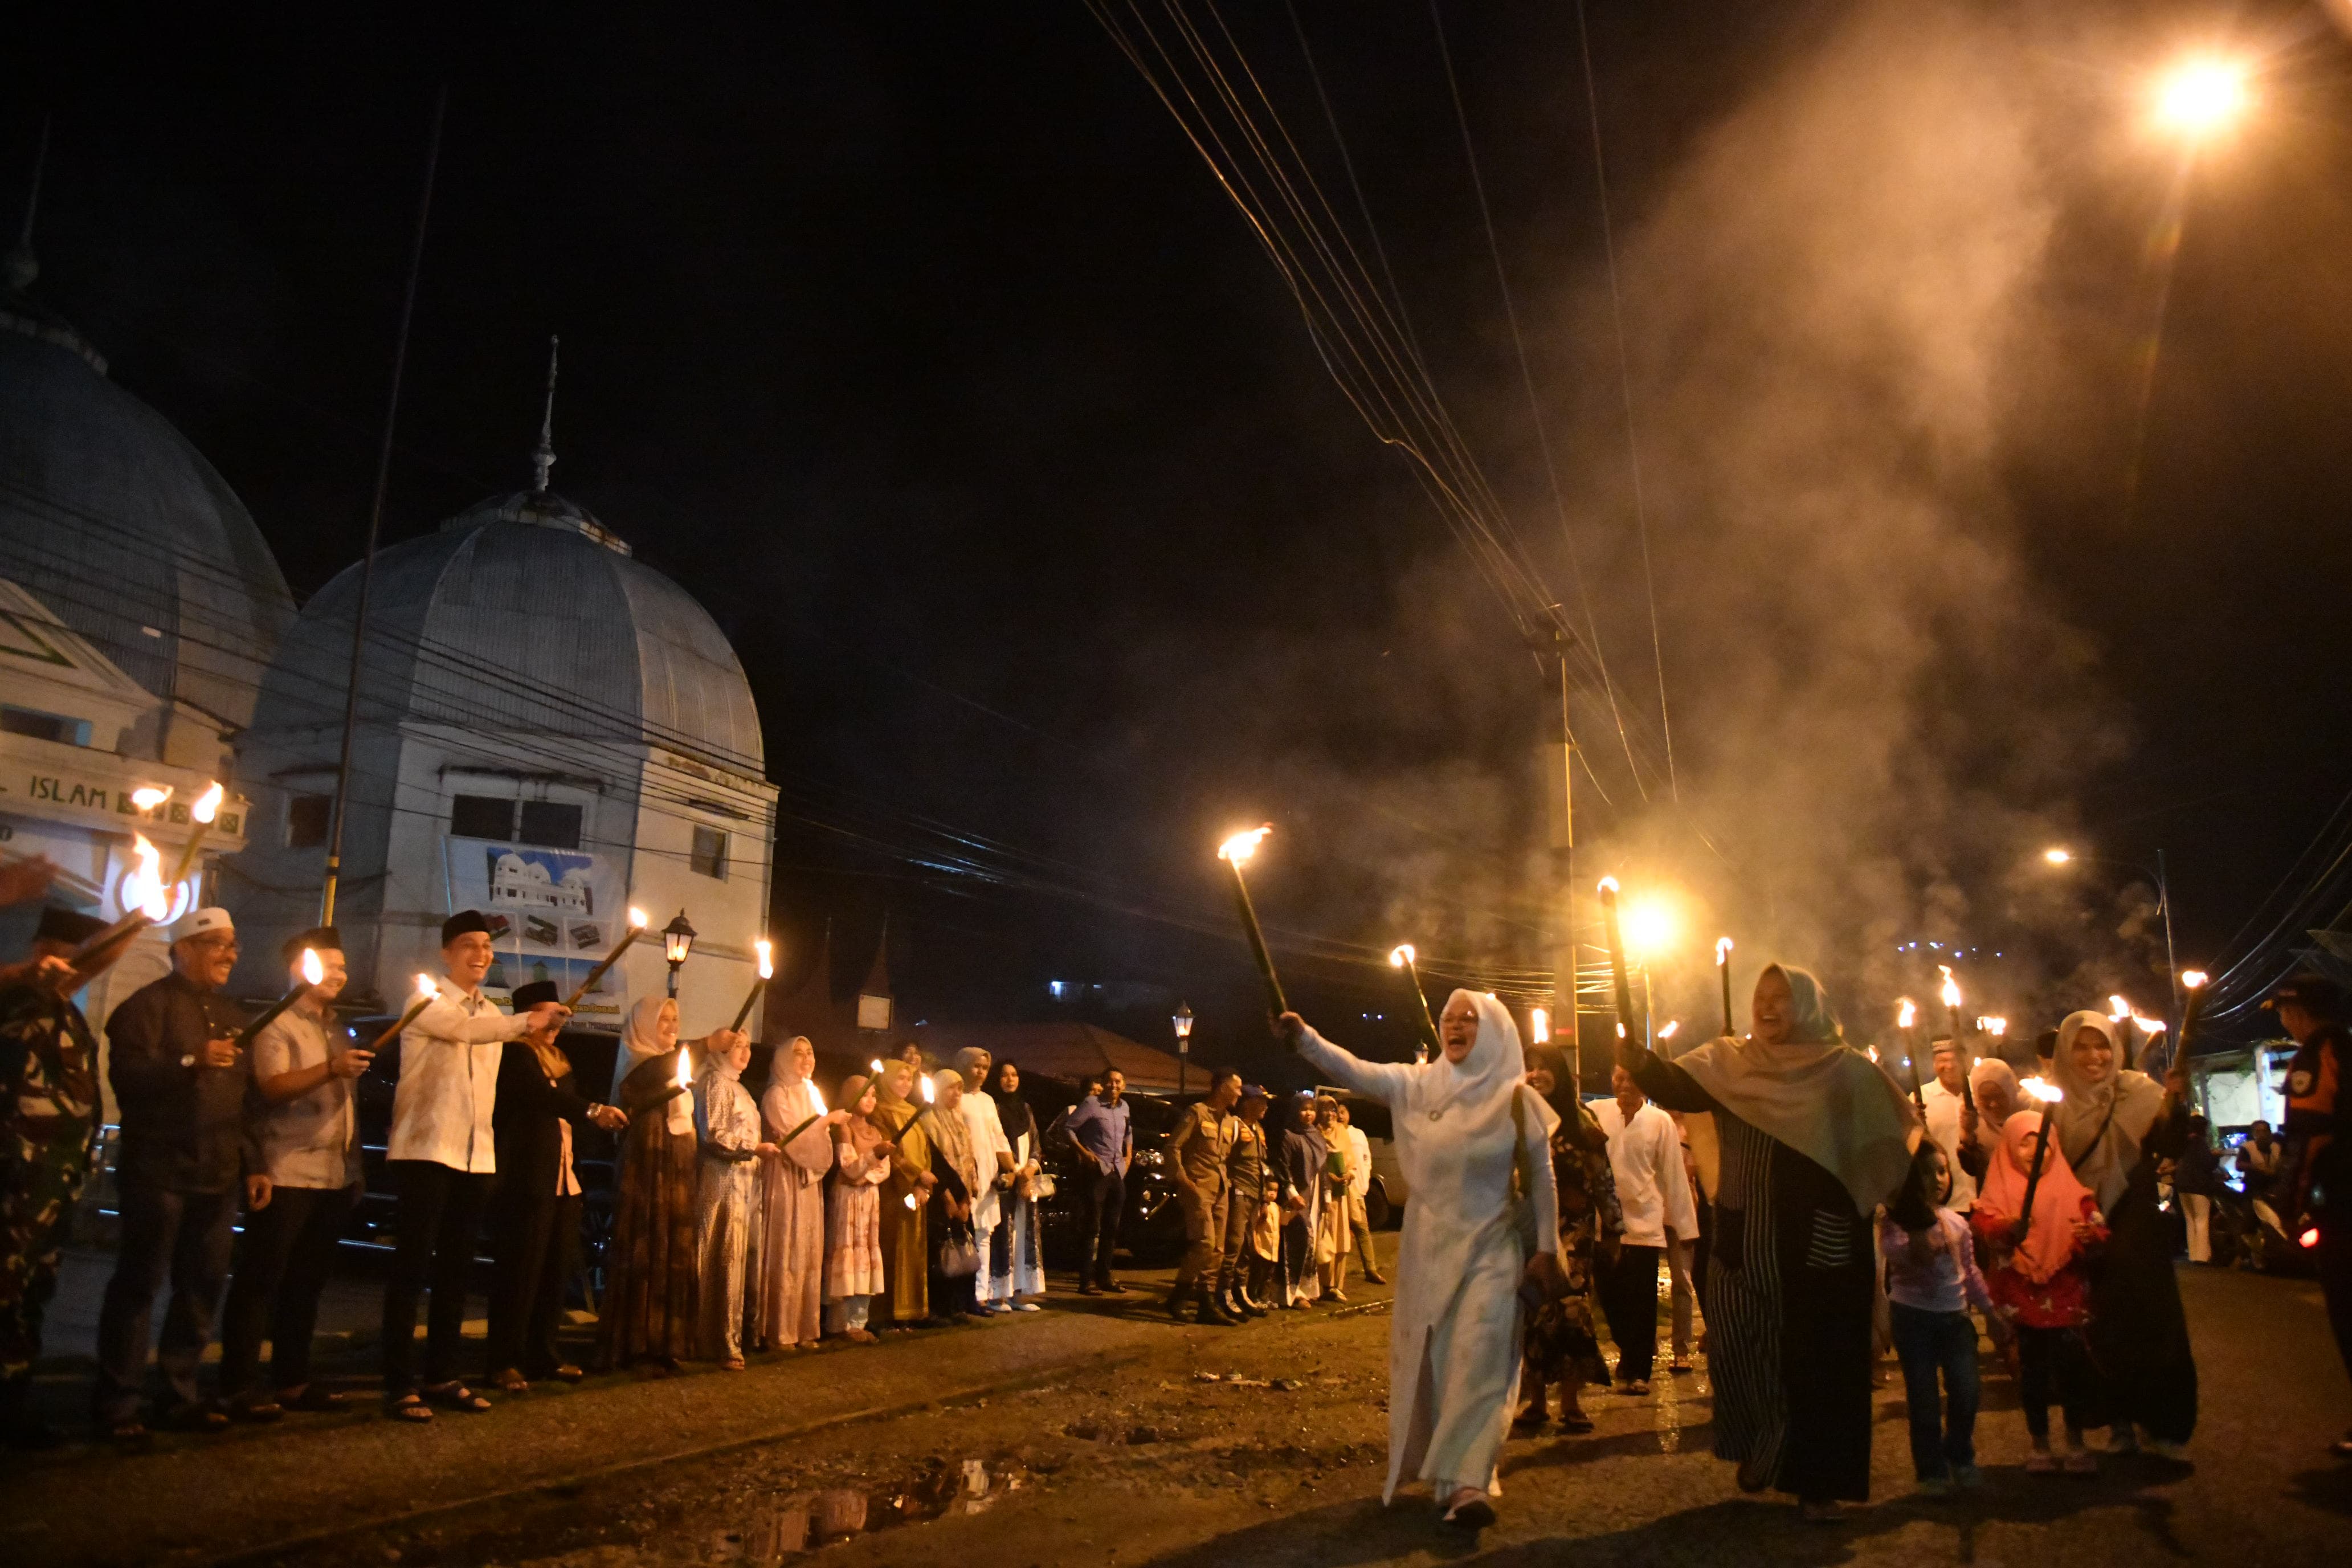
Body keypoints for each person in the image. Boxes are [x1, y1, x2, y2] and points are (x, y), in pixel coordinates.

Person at [1620, 963, 1929, 1522]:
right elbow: (1673, 1083)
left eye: (1781, 998)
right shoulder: (1729, 1062)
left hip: (1823, 1245)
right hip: (1745, 1239)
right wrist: (1639, 1061)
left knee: (1822, 1368)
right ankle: (1765, 1446)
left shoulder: (1846, 1071)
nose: (1767, 1007)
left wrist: (1920, 1222)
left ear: (1807, 1006)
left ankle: (1818, 1485)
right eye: (1761, 996)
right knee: (1741, 1352)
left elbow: (1886, 1150)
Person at [1278, 991, 1562, 1529]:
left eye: (1468, 1019)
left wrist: (1547, 1248)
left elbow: (1542, 1179)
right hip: (1430, 1252)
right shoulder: (1416, 1085)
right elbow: (1356, 1070)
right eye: (1448, 1019)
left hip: (1494, 1249)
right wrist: (1305, 1039)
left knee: (1481, 1359)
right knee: (1443, 1364)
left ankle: (1468, 1483)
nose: (1455, 1026)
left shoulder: (1517, 1100)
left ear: (1494, 1030)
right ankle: (1451, 1477)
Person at [380, 910, 569, 1421]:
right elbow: (464, 1031)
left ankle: (442, 1374)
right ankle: (399, 1383)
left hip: (475, 1155)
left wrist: (540, 1025)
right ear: (447, 953)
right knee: (411, 1269)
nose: (481, 954)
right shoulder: (427, 1002)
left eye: (486, 946)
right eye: (469, 945)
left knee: (456, 1271)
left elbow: (495, 1043)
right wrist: (526, 1021)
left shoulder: (491, 1012)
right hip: (426, 1150)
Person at [95, 906, 266, 1442]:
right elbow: (129, 1080)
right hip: (159, 1169)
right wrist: (192, 1060)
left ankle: (179, 1393)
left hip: (218, 1171)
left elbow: (243, 1099)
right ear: (184, 949)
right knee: (140, 1284)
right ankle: (119, 1404)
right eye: (219, 944)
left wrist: (254, 1162)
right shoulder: (145, 1007)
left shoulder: (233, 1015)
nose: (230, 954)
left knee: (202, 1285)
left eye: (234, 945)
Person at [220, 929, 373, 1418]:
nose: (339, 975)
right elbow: (271, 1087)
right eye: (329, 965)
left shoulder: (335, 1027)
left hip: (333, 1174)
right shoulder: (275, 1024)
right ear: (299, 968)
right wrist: (331, 1068)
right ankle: (238, 1385)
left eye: (343, 966)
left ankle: (292, 1379)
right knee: (260, 1281)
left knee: (307, 1283)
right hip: (285, 1170)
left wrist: (355, 1167)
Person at [0, 905, 125, 1448]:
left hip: (56, 1180)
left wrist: (140, 918)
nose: (84, 968)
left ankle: (12, 1406)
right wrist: (28, 975)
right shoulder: (21, 1003)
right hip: (18, 1178)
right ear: (47, 953)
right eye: (75, 954)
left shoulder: (66, 1012)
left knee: (33, 1293)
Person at [2052, 1008, 2196, 1453]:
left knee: (2152, 1321)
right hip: (2084, 1226)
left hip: (2137, 1225)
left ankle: (2162, 1422)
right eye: (2081, 1047)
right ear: (2065, 1053)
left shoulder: (2140, 1091)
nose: (2093, 1056)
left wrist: (2177, 1104)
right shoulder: (2052, 1106)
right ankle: (2117, 1421)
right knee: (2101, 1326)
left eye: (2102, 1045)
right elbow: (2037, 1167)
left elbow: (2170, 1145)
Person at [484, 980, 623, 1392]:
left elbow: (567, 1106)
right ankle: (503, 1361)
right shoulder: (514, 1054)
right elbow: (542, 1098)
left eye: (558, 1014)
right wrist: (592, 1110)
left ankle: (543, 1354)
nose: (555, 1023)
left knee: (554, 1271)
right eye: (547, 1014)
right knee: (520, 1272)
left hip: (564, 1179)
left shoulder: (560, 1060)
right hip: (527, 1177)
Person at [600, 996, 738, 1370]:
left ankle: (667, 1340)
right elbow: (649, 1079)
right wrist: (706, 1044)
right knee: (648, 1244)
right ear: (645, 1025)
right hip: (648, 1166)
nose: (672, 1027)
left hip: (676, 1165)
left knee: (673, 1245)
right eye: (664, 1020)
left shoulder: (671, 1062)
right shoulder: (638, 1061)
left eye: (676, 1019)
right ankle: (636, 1342)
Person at [1973, 1103, 2108, 1475]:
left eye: (2044, 1142)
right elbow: (1984, 1225)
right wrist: (2006, 1228)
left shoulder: (2075, 1193)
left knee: (2072, 1370)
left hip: (2065, 1290)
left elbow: (2098, 1228)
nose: (2036, 1151)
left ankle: (2076, 1441)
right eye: (2025, 1142)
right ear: (2008, 1146)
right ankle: (2040, 1443)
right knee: (2032, 1372)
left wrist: (2090, 1236)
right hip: (2022, 1292)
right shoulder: (1997, 1192)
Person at [2267, 973, 2352, 1457]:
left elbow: (2309, 1138)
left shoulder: (2318, 1053)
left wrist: (2289, 1207)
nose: (2284, 1021)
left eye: (2284, 1012)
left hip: (2342, 1205)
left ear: (2297, 1012)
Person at [1516, 1043, 1618, 1437]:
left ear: (1560, 1072)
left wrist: (1615, 1228)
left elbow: (1603, 1178)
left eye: (1544, 1067)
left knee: (1572, 1309)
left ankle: (1571, 1403)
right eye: (1530, 1067)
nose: (1536, 1074)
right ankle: (1537, 1402)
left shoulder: (1581, 1120)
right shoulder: (1517, 1119)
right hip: (1529, 1229)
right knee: (1533, 1311)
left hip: (1575, 1231)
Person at [1881, 1142, 1995, 1494]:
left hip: (1955, 1317)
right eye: (1927, 1172)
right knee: (1924, 1398)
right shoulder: (1898, 1222)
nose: (1938, 1179)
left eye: (1943, 1171)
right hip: (1913, 1317)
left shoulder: (1957, 1223)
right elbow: (1896, 1253)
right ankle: (1931, 1470)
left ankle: (1959, 1453)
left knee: (1967, 1390)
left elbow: (1969, 1272)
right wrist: (1916, 1238)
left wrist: (1992, 1312)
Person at [1591, 1063, 1697, 1396]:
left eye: (1633, 1079)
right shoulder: (1595, 1113)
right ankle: (1629, 1349)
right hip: (1604, 1227)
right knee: (1610, 1299)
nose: (1625, 1085)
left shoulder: (1659, 1122)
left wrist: (1685, 1226)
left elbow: (1673, 1175)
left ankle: (1639, 1371)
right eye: (1619, 1078)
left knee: (1641, 1302)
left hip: (1645, 1226)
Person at [754, 1035, 842, 1352]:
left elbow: (819, 1139)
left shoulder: (811, 1093)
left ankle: (804, 1327)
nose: (806, 1060)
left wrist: (824, 1127)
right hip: (784, 1178)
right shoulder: (777, 1095)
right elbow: (793, 1138)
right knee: (786, 1246)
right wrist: (826, 1123)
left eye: (810, 1053)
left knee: (807, 1248)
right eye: (799, 1054)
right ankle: (779, 1330)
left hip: (808, 1179)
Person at [693, 1030, 773, 1369]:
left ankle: (739, 1334)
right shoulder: (714, 1082)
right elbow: (713, 1133)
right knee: (723, 1253)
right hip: (722, 1179)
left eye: (747, 1046)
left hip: (745, 1182)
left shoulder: (740, 1088)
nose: (745, 1052)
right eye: (736, 1045)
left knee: (743, 1255)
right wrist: (753, 1149)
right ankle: (716, 1339)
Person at [1167, 1068, 1241, 1323]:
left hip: (1221, 1190)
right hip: (1198, 1189)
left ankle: (1206, 1303)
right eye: (1237, 1088)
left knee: (1218, 1249)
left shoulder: (1231, 1122)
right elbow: (1173, 1147)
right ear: (1222, 1087)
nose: (1239, 1093)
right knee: (1205, 1243)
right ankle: (1178, 1297)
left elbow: (1229, 1157)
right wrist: (1184, 1182)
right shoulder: (1197, 1113)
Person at [823, 1074, 891, 1341]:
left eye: (874, 1094)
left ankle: (859, 1321)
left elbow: (884, 1170)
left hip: (869, 1198)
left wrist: (864, 1177)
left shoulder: (876, 1132)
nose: (871, 1100)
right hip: (848, 1201)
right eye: (865, 1094)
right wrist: (872, 1158)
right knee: (847, 1251)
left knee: (866, 1253)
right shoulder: (844, 1127)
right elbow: (848, 1167)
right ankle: (840, 1323)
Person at [870, 1060, 937, 1328]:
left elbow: (925, 1149)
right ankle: (888, 1313)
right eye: (900, 1078)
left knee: (914, 1248)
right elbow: (891, 1152)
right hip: (894, 1190)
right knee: (892, 1247)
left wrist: (924, 1181)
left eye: (910, 1079)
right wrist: (915, 1176)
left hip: (918, 1190)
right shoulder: (880, 1111)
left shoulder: (913, 1112)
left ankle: (912, 1311)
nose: (906, 1084)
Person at [953, 1048, 1016, 1316]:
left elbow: (998, 1137)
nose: (980, 1072)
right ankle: (960, 1297)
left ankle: (981, 1295)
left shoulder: (988, 1100)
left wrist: (1011, 1170)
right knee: (966, 1233)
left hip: (988, 1174)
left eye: (985, 1068)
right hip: (966, 1174)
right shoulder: (956, 1097)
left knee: (985, 1234)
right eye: (976, 1066)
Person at [983, 1060, 1046, 1311]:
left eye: (1014, 1075)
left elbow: (1036, 1144)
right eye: (1004, 1075)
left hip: (1024, 1183)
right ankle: (997, 1295)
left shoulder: (1026, 1109)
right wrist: (1012, 1173)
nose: (1010, 1079)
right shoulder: (994, 1108)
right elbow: (992, 1145)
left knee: (1022, 1235)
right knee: (1003, 1235)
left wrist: (1028, 1171)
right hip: (1004, 1181)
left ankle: (1018, 1293)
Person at [1063, 1069, 1132, 1295]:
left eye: (1118, 1081)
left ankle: (1105, 1276)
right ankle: (1086, 1280)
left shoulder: (1124, 1107)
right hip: (1097, 1172)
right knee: (1092, 1227)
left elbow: (1129, 1133)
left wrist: (1129, 1156)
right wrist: (1084, 1152)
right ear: (1103, 1083)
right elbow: (1069, 1128)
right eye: (1110, 1081)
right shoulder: (1091, 1104)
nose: (1114, 1085)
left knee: (1112, 1228)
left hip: (1117, 1172)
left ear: (1124, 1085)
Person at [926, 1069, 981, 1324]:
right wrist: (947, 1196)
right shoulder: (928, 1120)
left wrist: (967, 1198)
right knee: (943, 1252)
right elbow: (934, 1161)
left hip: (962, 1196)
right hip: (942, 1197)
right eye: (950, 1088)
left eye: (960, 1088)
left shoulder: (959, 1120)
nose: (957, 1093)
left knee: (963, 1248)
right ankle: (940, 1307)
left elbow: (969, 1159)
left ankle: (960, 1305)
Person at [1220, 1084, 1273, 1318]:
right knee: (1233, 1245)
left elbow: (1262, 1165)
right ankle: (1223, 1293)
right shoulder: (1234, 1125)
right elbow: (1223, 1158)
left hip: (1255, 1195)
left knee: (1247, 1247)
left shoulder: (1257, 1129)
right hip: (1239, 1193)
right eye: (1261, 1102)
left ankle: (1240, 1291)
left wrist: (1265, 1198)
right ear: (1248, 1103)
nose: (1265, 1107)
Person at [1273, 1092, 1326, 1308]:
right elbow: (1282, 1166)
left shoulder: (1317, 1135)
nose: (1308, 1114)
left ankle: (1306, 1290)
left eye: (1311, 1110)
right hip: (1297, 1196)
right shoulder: (1289, 1135)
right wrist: (1292, 1193)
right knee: (1297, 1240)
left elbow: (1323, 1168)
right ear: (1295, 1111)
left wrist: (1327, 1196)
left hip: (1314, 1195)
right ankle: (1290, 1294)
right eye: (1304, 1109)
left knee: (1310, 1243)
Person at [1918, 1039, 1980, 1212]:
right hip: (1945, 1204)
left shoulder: (1980, 1090)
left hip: (1984, 1200)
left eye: (1955, 1059)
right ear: (1934, 1063)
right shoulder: (1921, 1098)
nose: (1950, 1066)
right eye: (1943, 1061)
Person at [1340, 1102, 1388, 1285]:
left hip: (1356, 1190)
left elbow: (1367, 1159)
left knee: (1362, 1229)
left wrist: (1365, 1178)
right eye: (1337, 1112)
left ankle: (1370, 1269)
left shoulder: (1358, 1134)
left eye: (1343, 1112)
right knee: (1339, 1234)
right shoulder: (1332, 1133)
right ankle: (1335, 1277)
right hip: (1339, 1190)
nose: (1340, 1116)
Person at [1315, 1096, 1355, 1301]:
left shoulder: (1342, 1132)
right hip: (1323, 1195)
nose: (1331, 1114)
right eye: (1326, 1109)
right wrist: (1326, 1175)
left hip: (1341, 1193)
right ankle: (1324, 1285)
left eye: (1333, 1110)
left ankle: (1337, 1285)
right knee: (1326, 1237)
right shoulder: (1315, 1133)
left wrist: (1349, 1174)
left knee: (1341, 1238)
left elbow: (1351, 1161)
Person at [1958, 1059, 2019, 1189]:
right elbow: (1972, 1169)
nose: (1993, 1104)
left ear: (2010, 1090)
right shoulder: (1975, 1122)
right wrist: (1967, 1133)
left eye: (1999, 1096)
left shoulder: (2032, 1112)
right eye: (1985, 1098)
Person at [2173, 1116, 2224, 1265]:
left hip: (2182, 1186)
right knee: (2201, 1220)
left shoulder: (2184, 1143)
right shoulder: (2200, 1143)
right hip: (2198, 1186)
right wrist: (2216, 1156)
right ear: (2204, 1129)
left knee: (2190, 1220)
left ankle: (2194, 1254)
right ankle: (2202, 1256)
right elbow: (2207, 1165)